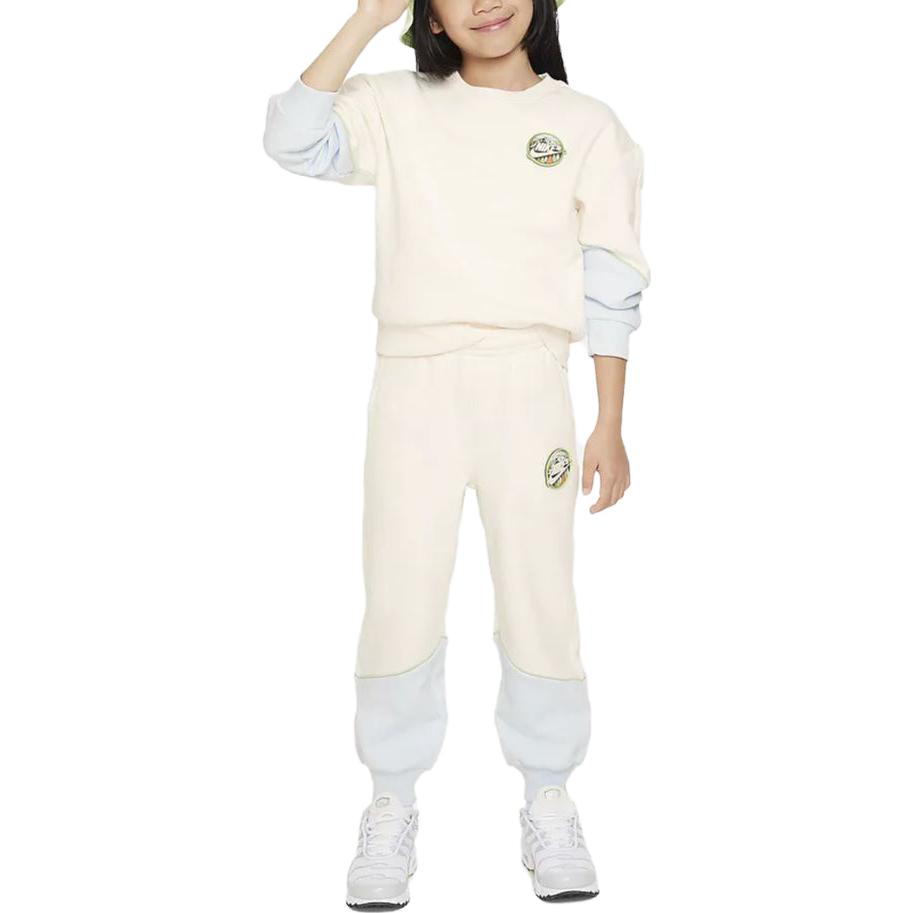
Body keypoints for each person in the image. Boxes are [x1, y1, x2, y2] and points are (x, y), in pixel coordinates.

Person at [262, 0, 650, 905]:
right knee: (399, 585)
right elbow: (290, 139)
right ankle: (389, 800)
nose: (485, 2)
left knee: (539, 586)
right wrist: (365, 20)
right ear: (428, 12)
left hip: (528, 381)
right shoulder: (394, 105)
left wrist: (608, 419)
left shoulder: (586, 124)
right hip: (414, 381)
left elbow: (611, 277)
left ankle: (549, 794)